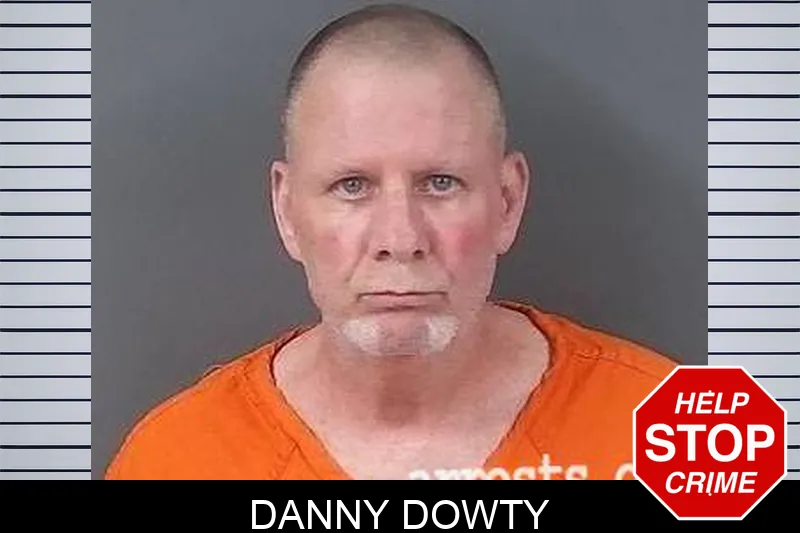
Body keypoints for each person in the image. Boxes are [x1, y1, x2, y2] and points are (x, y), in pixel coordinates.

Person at [105, 3, 677, 480]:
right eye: (352, 186)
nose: (400, 239)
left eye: (440, 183)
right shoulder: (176, 459)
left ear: (507, 201)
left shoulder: (674, 432)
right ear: (286, 209)